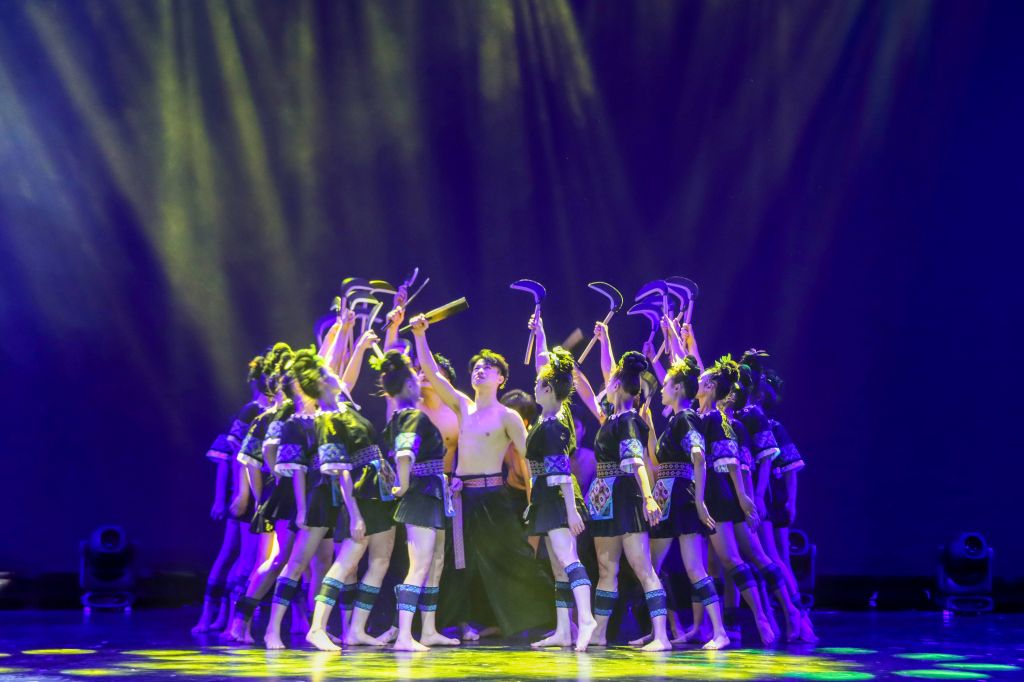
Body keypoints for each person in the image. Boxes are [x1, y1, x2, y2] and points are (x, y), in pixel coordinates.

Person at [411, 314, 554, 641]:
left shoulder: (508, 416)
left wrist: (534, 500)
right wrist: (420, 335)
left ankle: (558, 619)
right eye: (476, 367)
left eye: (487, 367)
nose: (479, 370)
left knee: (515, 559)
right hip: (461, 497)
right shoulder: (463, 406)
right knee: (455, 563)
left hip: (492, 497)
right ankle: (454, 624)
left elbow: (528, 459)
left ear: (501, 378)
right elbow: (432, 372)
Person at [573, 321, 671, 651]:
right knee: (606, 569)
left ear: (617, 385)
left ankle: (661, 636)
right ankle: (600, 632)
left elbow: (637, 461)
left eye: (611, 379)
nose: (606, 382)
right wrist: (604, 340)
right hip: (604, 498)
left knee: (643, 568)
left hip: (625, 496)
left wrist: (648, 497)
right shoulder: (612, 417)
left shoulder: (629, 420)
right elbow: (601, 377)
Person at [376, 350, 454, 651]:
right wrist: (404, 484)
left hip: (431, 493)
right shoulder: (412, 416)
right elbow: (404, 452)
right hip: (421, 494)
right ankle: (405, 636)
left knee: (433, 563)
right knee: (419, 566)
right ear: (409, 385)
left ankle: (429, 630)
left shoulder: (398, 416)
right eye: (416, 379)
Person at [192, 354, 269, 635]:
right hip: (244, 493)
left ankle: (227, 617)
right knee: (234, 555)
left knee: (250, 558)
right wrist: (235, 494)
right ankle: (214, 617)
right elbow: (234, 457)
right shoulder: (252, 411)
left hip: (260, 490)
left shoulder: (277, 411)